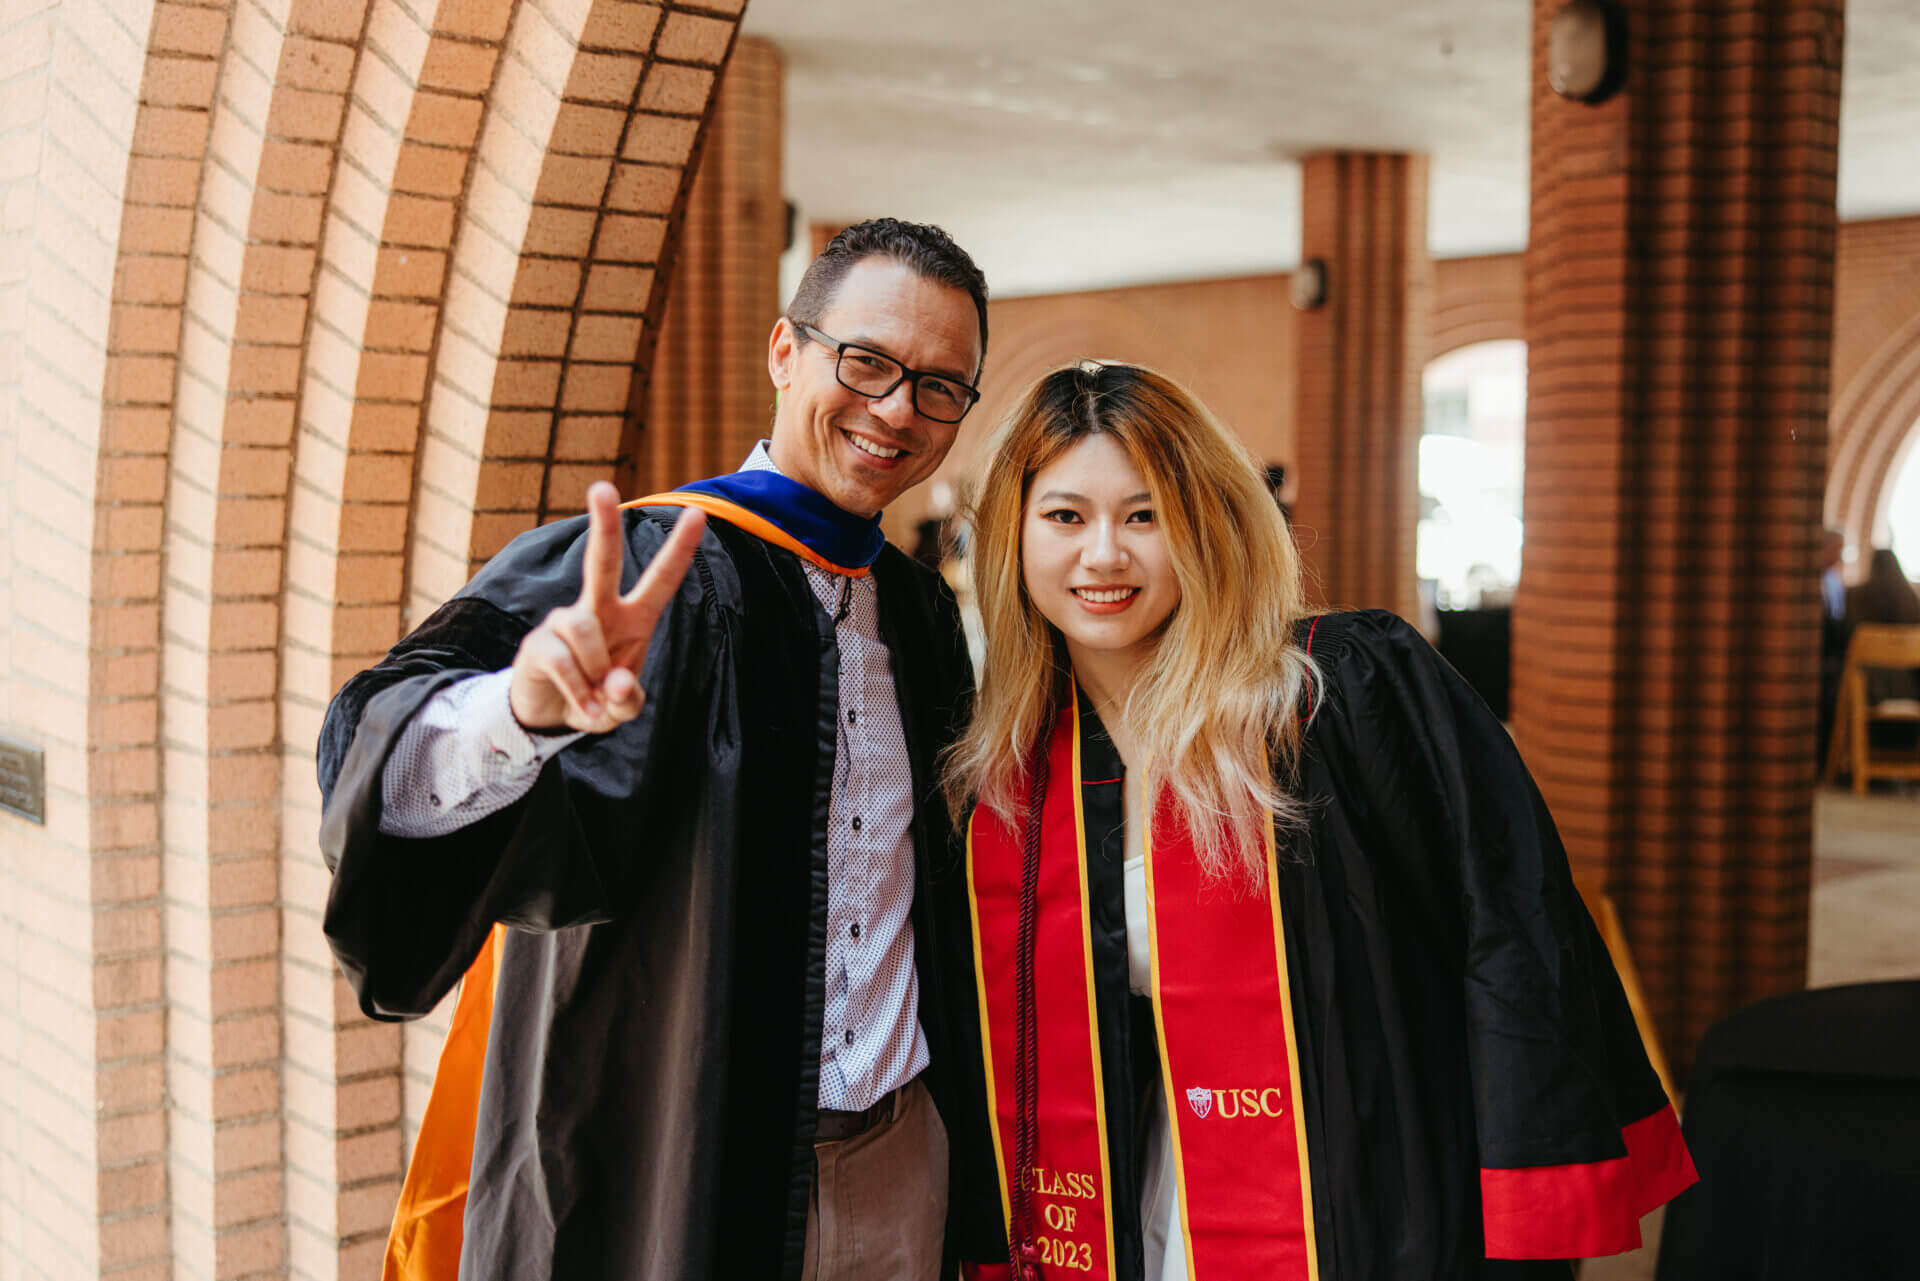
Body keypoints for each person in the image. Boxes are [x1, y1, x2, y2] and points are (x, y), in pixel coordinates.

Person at [318, 220, 1007, 1281]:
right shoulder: (654, 564)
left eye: (939, 386)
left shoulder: (917, 611)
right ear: (786, 350)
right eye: (865, 362)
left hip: (899, 1164)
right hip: (661, 1171)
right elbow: (382, 738)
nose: (895, 410)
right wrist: (522, 711)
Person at [944, 362, 1695, 1281]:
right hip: (1150, 1208)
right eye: (1066, 516)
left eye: (1145, 515)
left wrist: (1520, 1207)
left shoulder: (1338, 695)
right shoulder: (1014, 777)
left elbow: (1510, 924)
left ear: (1208, 522)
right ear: (1013, 539)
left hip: (1371, 1205)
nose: (1104, 555)